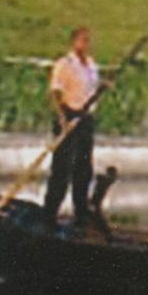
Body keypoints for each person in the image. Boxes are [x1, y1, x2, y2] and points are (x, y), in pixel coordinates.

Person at [44, 26, 100, 230]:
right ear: (74, 41)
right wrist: (62, 119)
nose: (86, 44)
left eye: (88, 40)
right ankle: (50, 214)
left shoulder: (91, 64)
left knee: (84, 168)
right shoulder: (65, 64)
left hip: (85, 118)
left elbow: (91, 90)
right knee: (62, 167)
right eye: (82, 40)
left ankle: (80, 213)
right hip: (68, 116)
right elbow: (56, 92)